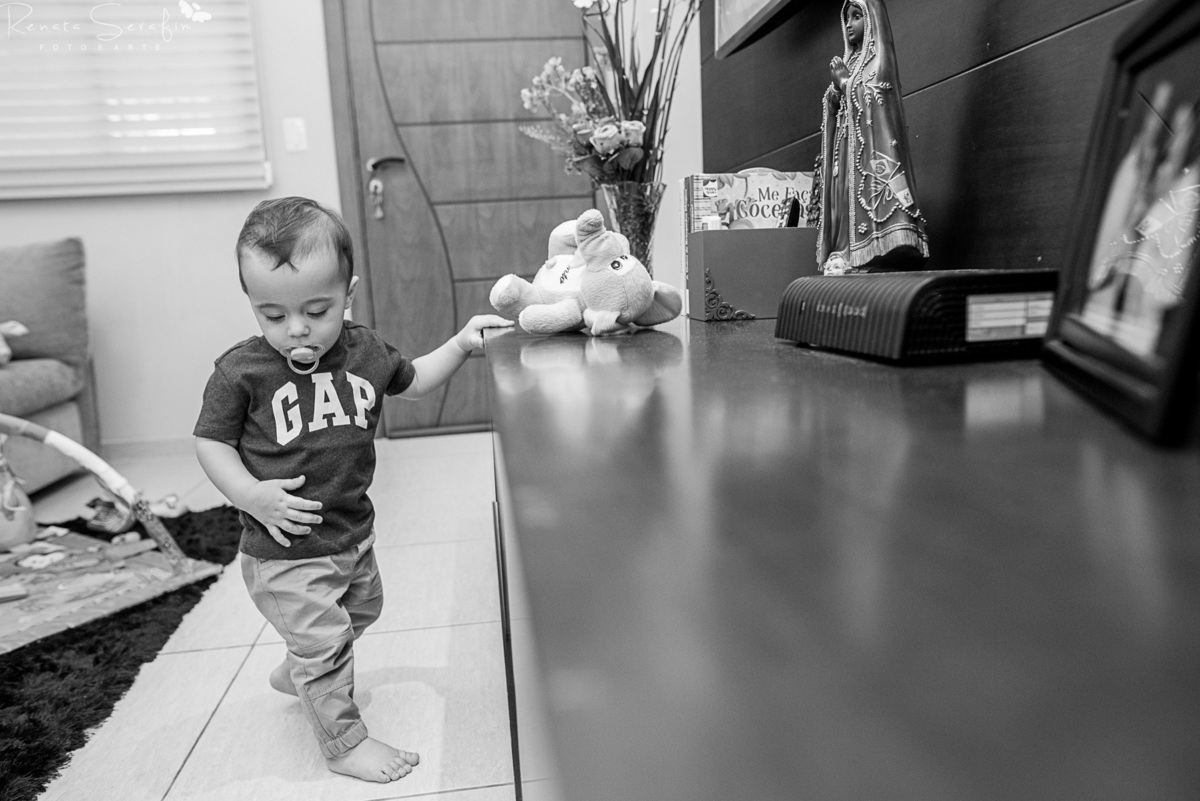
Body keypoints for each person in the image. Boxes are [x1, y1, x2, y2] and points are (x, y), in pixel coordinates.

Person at [193, 197, 513, 783]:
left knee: (363, 608)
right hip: (284, 548)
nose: (296, 329)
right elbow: (210, 444)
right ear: (252, 306)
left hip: (350, 531)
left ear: (349, 293)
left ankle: (302, 669)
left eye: (317, 309)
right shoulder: (241, 371)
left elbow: (413, 382)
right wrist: (250, 495)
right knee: (327, 647)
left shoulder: (364, 351)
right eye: (272, 314)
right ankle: (343, 743)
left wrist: (463, 343)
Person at [816, 0, 929, 275]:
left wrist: (845, 84)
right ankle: (846, 250)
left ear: (872, 20)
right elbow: (843, 99)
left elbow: (875, 96)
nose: (849, 25)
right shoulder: (851, 60)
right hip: (845, 148)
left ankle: (880, 247)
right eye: (847, 19)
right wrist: (833, 97)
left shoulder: (879, 60)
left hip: (870, 153)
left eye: (857, 16)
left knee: (867, 190)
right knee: (843, 197)